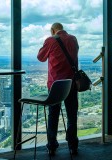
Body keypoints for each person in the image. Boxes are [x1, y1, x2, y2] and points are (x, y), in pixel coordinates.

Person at [37, 22, 79, 156]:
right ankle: (73, 146)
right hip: (71, 83)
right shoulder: (73, 39)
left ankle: (52, 146)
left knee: (53, 115)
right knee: (72, 115)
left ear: (52, 30)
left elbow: (40, 57)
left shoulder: (50, 40)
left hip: (55, 85)